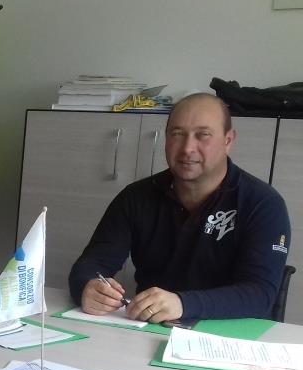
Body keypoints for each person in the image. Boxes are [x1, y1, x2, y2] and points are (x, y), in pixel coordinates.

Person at [69, 92, 290, 324]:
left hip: (229, 334)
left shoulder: (263, 204)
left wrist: (183, 304)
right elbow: (92, 264)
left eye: (203, 135)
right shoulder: (135, 197)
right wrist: (87, 286)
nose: (187, 148)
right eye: (177, 134)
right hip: (149, 328)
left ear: (228, 140)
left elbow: (260, 294)